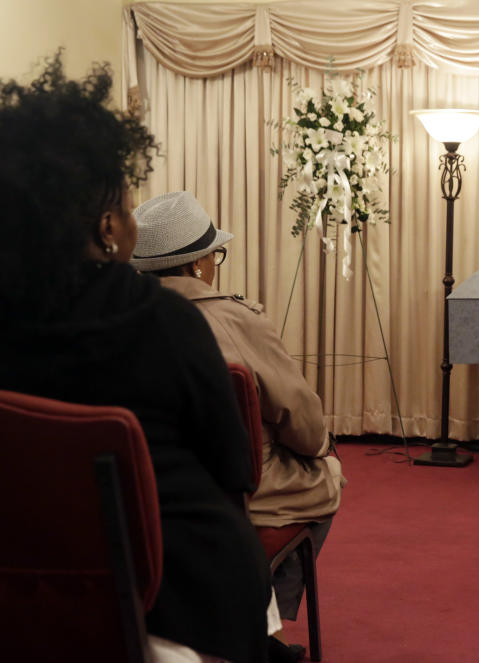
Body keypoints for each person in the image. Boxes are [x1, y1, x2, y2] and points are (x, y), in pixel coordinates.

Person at [0, 54, 272, 662]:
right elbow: (234, 471)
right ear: (106, 228)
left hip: (20, 610)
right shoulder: (167, 322)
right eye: (127, 206)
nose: (130, 221)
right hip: (173, 614)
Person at [130, 191, 345, 655]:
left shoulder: (111, 323)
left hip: (136, 495)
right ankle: (267, 620)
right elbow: (303, 426)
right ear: (198, 266)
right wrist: (324, 448)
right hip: (238, 496)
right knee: (329, 474)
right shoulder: (233, 319)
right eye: (214, 256)